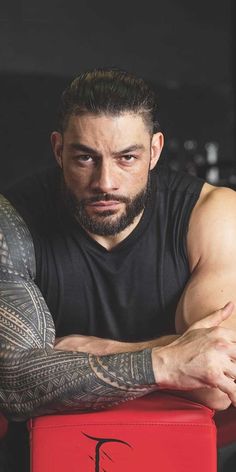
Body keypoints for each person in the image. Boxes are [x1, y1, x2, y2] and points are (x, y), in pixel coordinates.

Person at [1, 68, 236, 469]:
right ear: (58, 150)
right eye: (85, 158)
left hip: (188, 452)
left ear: (155, 150)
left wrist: (91, 350)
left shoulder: (211, 214)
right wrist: (169, 360)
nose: (105, 182)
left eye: (127, 157)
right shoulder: (12, 222)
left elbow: (218, 380)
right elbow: (18, 385)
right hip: (45, 457)